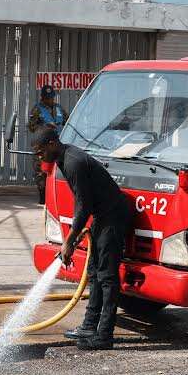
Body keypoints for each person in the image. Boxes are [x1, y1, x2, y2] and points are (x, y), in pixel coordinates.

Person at [30, 126, 131, 350]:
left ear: (52, 144)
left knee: (107, 277)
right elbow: (82, 202)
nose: (39, 157)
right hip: (101, 216)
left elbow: (83, 206)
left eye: (40, 152)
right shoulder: (63, 159)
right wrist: (74, 236)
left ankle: (104, 336)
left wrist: (68, 242)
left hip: (112, 216)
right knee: (94, 273)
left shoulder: (73, 162)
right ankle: (88, 326)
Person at [27, 85, 68, 204]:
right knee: (41, 171)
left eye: (51, 97)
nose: (50, 100)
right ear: (42, 97)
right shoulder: (37, 109)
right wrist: (45, 126)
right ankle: (43, 197)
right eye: (47, 98)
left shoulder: (59, 108)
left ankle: (57, 195)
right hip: (42, 145)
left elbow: (68, 121)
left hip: (57, 144)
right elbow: (31, 127)